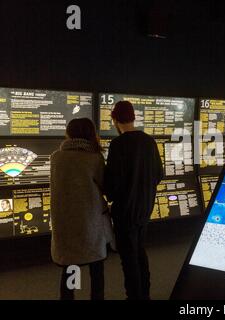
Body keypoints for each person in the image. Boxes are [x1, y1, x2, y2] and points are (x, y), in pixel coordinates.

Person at [104, 101, 163, 300]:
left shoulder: (118, 144)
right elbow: (158, 174)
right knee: (139, 252)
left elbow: (112, 182)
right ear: (133, 118)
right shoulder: (149, 141)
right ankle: (144, 295)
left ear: (115, 120)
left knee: (128, 260)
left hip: (125, 212)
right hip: (144, 209)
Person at [50, 118, 113, 300]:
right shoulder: (94, 158)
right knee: (96, 271)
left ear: (69, 134)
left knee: (71, 269)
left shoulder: (57, 158)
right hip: (91, 224)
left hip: (66, 223)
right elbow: (104, 186)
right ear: (90, 134)